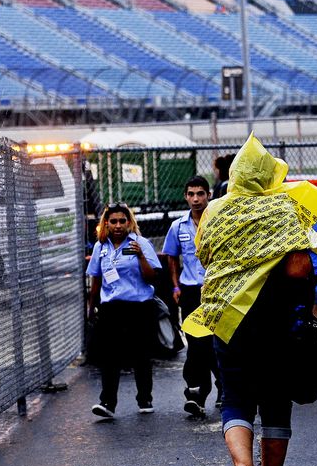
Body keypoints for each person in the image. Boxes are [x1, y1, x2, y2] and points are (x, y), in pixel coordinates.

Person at [184, 136, 317, 466]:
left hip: (227, 319)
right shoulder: (284, 207)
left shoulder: (215, 210)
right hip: (276, 322)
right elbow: (300, 269)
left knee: (235, 397)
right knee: (276, 403)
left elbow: (204, 255)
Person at [86, 203, 162, 419]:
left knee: (141, 354)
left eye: (122, 221)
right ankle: (108, 402)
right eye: (113, 221)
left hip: (139, 306)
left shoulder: (140, 243)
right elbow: (96, 280)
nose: (118, 225)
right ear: (106, 224)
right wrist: (91, 309)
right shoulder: (101, 247)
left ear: (129, 222)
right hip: (111, 307)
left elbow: (152, 277)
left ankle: (145, 398)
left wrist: (140, 257)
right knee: (109, 356)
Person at [162, 175, 220, 417]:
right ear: (186, 196)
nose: (196, 199)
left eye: (200, 194)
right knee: (196, 342)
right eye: (191, 194)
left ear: (209, 195)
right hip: (191, 291)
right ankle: (196, 392)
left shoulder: (218, 221)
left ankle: (224, 387)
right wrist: (176, 286)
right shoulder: (178, 226)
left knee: (217, 340)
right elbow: (171, 257)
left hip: (217, 290)